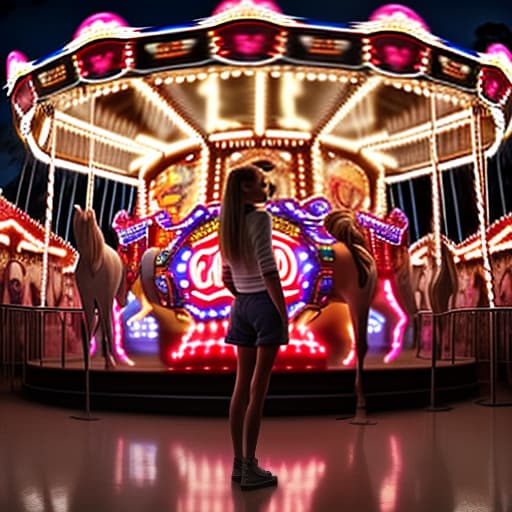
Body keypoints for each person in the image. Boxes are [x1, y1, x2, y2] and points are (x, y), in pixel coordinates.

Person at [219, 164, 288, 491]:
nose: (266, 187)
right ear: (246, 186)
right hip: (262, 302)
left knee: (240, 386)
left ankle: (238, 462)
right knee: (258, 391)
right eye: (262, 183)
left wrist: (241, 297)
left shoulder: (227, 224)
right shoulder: (260, 219)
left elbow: (226, 276)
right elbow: (269, 269)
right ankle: (250, 467)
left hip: (241, 306)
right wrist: (282, 309)